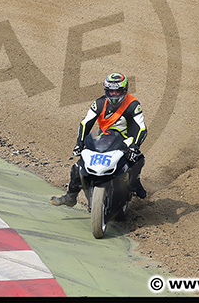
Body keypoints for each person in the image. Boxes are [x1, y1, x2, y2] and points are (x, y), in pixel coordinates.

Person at [51, 72, 147, 207]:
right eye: (111, 92)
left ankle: (135, 184)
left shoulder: (133, 105)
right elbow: (85, 123)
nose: (114, 95)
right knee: (78, 166)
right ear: (106, 90)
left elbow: (142, 128)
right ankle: (71, 196)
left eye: (117, 91)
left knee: (137, 159)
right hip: (104, 138)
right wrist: (79, 143)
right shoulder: (99, 103)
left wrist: (134, 146)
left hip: (126, 140)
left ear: (124, 91)